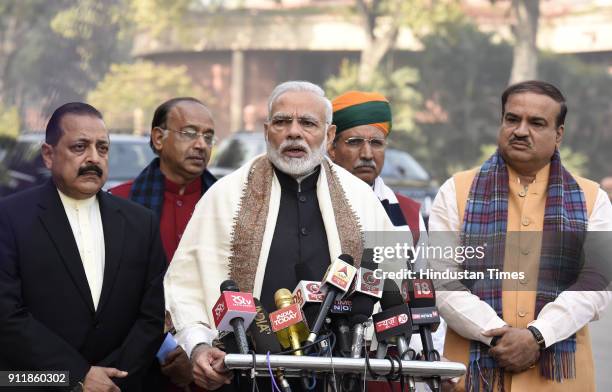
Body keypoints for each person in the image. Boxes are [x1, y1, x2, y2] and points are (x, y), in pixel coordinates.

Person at [164, 81, 405, 390]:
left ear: (328, 135)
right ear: (267, 131)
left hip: (340, 371)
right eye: (281, 122)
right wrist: (197, 345)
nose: (294, 132)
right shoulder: (224, 195)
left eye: (307, 123)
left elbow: (400, 280)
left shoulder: (361, 198)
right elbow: (184, 286)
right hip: (242, 372)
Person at [428, 80, 612, 391]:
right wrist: (499, 334)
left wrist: (538, 335)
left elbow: (595, 283)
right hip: (471, 378)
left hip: (560, 380)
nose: (520, 130)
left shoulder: (592, 198)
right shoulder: (456, 191)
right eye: (512, 119)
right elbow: (442, 280)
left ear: (559, 134)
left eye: (536, 122)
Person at [0, 102, 166, 391]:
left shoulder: (141, 223)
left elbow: (151, 318)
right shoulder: (10, 218)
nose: (94, 158)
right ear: (48, 155)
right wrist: (77, 375)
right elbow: (6, 314)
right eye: (80, 147)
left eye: (102, 148)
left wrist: (114, 378)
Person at [110, 97, 216, 391]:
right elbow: (114, 294)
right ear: (158, 137)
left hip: (212, 364)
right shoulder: (118, 202)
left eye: (208, 136)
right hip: (133, 363)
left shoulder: (225, 204)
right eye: (189, 133)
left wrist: (197, 350)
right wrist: (167, 348)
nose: (201, 144)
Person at [328, 90, 425, 243]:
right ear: (332, 148)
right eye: (354, 142)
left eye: (376, 143)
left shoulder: (409, 214)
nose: (367, 154)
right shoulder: (312, 204)